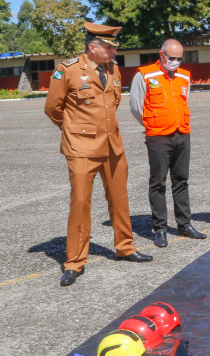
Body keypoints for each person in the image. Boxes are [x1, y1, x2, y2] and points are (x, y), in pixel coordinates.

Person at [44, 22, 153, 287]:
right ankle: (74, 262)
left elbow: (112, 104)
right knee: (80, 203)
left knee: (119, 198)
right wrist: (74, 130)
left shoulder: (113, 69)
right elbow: (52, 109)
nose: (113, 53)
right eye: (109, 48)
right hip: (82, 148)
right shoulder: (68, 70)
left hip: (112, 145)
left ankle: (125, 247)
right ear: (93, 48)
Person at [129, 39, 207, 248]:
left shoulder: (184, 76)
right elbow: (136, 107)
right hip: (158, 136)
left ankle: (184, 224)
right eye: (171, 58)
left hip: (182, 133)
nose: (175, 62)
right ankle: (160, 229)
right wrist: (153, 125)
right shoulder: (144, 74)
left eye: (179, 58)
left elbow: (184, 100)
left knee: (181, 180)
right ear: (161, 55)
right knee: (158, 183)